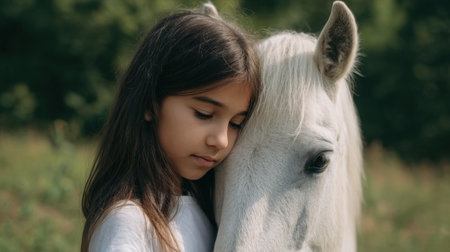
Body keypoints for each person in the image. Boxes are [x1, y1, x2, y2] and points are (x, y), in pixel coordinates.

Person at [80, 3, 260, 252]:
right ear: (150, 103)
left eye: (236, 123)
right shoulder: (128, 221)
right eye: (204, 114)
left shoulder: (211, 215)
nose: (221, 141)